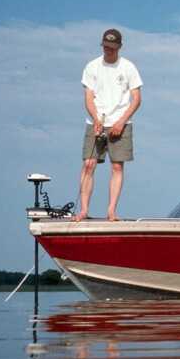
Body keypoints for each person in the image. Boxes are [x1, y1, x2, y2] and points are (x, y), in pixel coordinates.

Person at [74, 28, 143, 221]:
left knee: (117, 167)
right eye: (105, 47)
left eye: (112, 48)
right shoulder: (92, 67)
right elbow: (88, 97)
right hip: (96, 121)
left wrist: (121, 121)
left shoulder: (128, 67)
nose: (108, 51)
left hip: (121, 122)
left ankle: (111, 210)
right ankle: (84, 210)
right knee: (89, 164)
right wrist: (95, 118)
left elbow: (136, 99)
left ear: (119, 47)